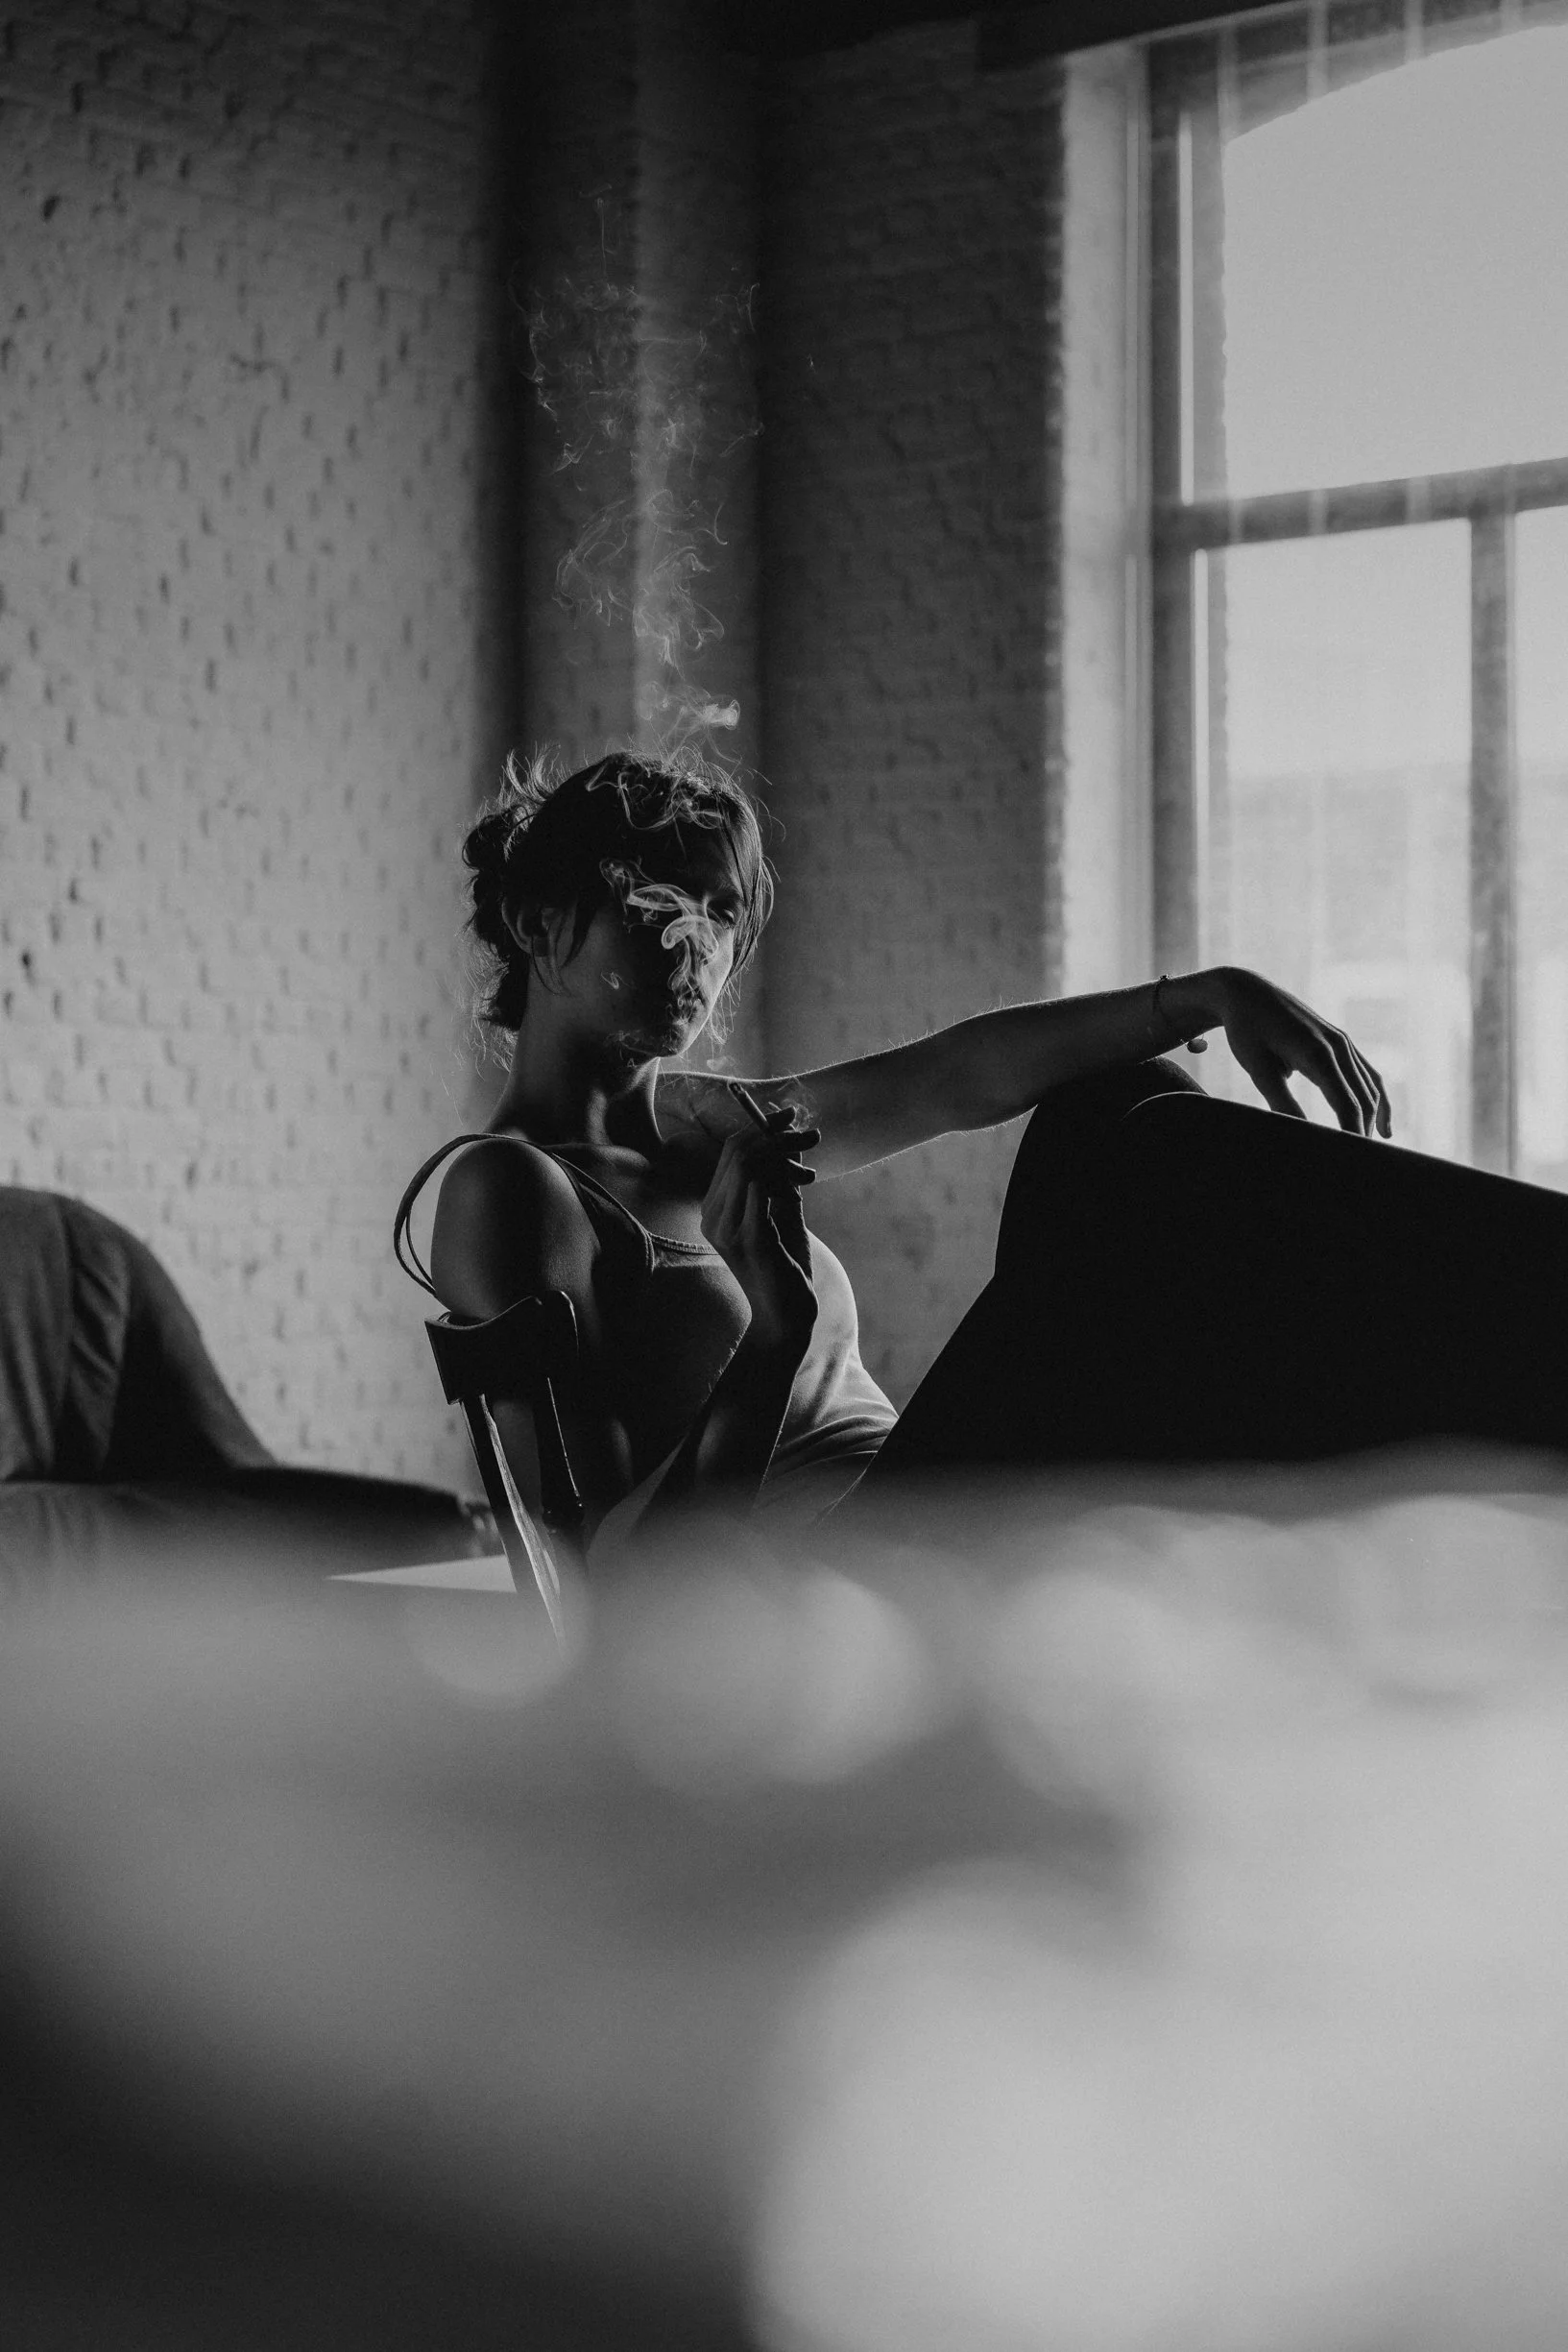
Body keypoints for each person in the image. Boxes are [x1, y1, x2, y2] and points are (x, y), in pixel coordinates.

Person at [396, 748, 1568, 1554]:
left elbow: (953, 1079)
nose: (696, 948)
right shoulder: (510, 1188)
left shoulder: (708, 1125)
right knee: (1159, 1174)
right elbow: (611, 1589)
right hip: (846, 1570)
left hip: (922, 1495)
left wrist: (1204, 994)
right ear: (540, 923)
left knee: (1125, 1099)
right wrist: (773, 1336)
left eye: (720, 914)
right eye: (658, 905)